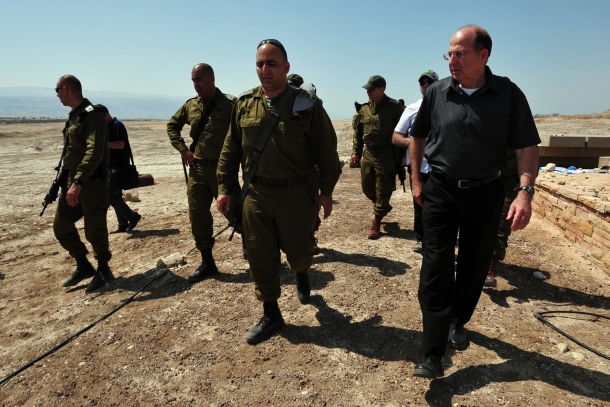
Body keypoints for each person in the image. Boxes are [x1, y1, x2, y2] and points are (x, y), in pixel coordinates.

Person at [409, 25, 540, 378]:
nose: (452, 60)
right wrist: (417, 181)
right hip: (441, 191)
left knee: (474, 265)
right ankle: (432, 352)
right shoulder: (436, 93)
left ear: (483, 55)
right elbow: (417, 137)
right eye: (449, 54)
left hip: (486, 192)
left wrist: (524, 192)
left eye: (460, 53)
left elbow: (526, 146)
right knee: (435, 267)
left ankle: (458, 319)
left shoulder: (508, 94)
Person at [216, 39, 341, 344]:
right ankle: (271, 313)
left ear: (286, 67)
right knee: (260, 256)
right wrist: (225, 188)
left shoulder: (306, 105)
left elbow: (326, 151)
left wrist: (326, 191)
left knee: (298, 252)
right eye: (260, 64)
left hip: (295, 196)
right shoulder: (244, 103)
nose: (265, 70)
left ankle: (301, 270)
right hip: (256, 195)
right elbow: (230, 149)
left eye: (271, 63)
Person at [167, 63, 242, 284]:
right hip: (197, 170)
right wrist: (183, 149)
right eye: (193, 80)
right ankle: (208, 262)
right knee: (197, 217)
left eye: (199, 79)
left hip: (222, 170)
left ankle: (253, 245)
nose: (196, 84)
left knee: (237, 213)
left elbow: (243, 136)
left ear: (211, 78)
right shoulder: (191, 105)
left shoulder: (230, 104)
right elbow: (172, 125)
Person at [53, 75, 114, 293]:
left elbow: (94, 151)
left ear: (66, 90)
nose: (57, 96)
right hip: (72, 181)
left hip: (90, 182)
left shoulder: (92, 115)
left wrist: (78, 181)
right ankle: (83, 265)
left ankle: (104, 270)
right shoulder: (75, 116)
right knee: (61, 225)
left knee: (94, 229)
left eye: (57, 91)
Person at [351, 75, 405, 239]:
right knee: (367, 187)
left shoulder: (394, 107)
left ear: (382, 89)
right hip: (369, 153)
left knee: (383, 187)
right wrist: (356, 152)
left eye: (371, 89)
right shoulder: (365, 109)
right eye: (367, 89)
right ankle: (382, 206)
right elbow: (358, 133)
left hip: (386, 154)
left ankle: (376, 221)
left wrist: (404, 155)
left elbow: (404, 131)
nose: (368, 92)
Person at [392, 70, 439, 254]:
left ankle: (436, 239)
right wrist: (414, 143)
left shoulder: (447, 106)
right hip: (419, 166)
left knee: (441, 206)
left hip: (441, 167)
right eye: (422, 82)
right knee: (420, 203)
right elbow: (396, 137)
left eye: (430, 81)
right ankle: (421, 238)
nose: (425, 85)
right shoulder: (412, 109)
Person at [95, 104, 142, 234]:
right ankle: (122, 224)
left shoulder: (117, 125)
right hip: (110, 166)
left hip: (118, 167)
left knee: (112, 197)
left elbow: (120, 145)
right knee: (116, 196)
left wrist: (102, 144)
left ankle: (133, 217)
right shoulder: (106, 127)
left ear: (104, 114)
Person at [485, 150, 519, 287]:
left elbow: (529, 151)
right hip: (481, 176)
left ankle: (490, 266)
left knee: (504, 220)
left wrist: (527, 183)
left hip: (509, 179)